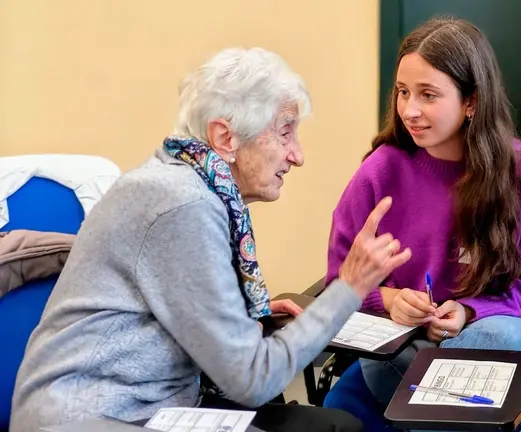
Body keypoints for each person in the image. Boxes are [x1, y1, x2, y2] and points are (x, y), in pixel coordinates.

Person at [10, 47, 414, 432]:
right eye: (285, 133)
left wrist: (236, 315)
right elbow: (253, 380)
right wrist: (349, 287)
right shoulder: (183, 205)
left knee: (336, 425)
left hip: (147, 405)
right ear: (225, 137)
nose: (297, 155)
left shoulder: (182, 183)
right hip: (95, 417)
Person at [323, 17, 521, 429]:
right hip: (403, 348)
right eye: (403, 92)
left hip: (486, 339)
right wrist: (389, 301)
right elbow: (340, 280)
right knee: (383, 364)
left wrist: (471, 311)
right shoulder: (379, 171)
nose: (410, 110)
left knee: (511, 338)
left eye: (428, 95)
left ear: (471, 101)